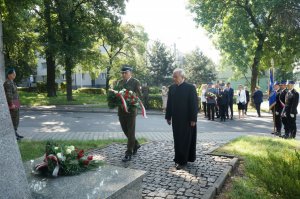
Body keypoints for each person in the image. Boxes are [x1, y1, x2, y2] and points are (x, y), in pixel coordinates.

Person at [165, 68, 198, 170]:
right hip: (176, 119)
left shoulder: (190, 88)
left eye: (176, 76)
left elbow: (194, 104)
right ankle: (178, 158)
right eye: (173, 77)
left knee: (185, 140)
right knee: (177, 139)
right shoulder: (172, 88)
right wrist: (168, 116)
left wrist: (193, 119)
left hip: (187, 119)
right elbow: (169, 103)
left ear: (182, 77)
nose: (174, 78)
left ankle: (182, 161)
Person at [116, 65, 142, 162]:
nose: (123, 74)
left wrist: (131, 99)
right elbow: (116, 94)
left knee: (131, 131)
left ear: (130, 72)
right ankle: (136, 144)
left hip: (131, 111)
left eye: (125, 72)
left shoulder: (136, 82)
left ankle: (129, 152)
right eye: (122, 73)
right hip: (121, 110)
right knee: (125, 130)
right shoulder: (119, 82)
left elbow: (139, 95)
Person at [3, 68, 24, 140]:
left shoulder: (12, 82)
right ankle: (13, 134)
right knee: (13, 118)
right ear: (9, 75)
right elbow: (9, 94)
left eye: (15, 73)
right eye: (13, 73)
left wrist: (17, 103)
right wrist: (11, 104)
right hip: (12, 103)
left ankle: (15, 132)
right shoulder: (8, 83)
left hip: (16, 102)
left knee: (16, 118)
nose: (15, 75)